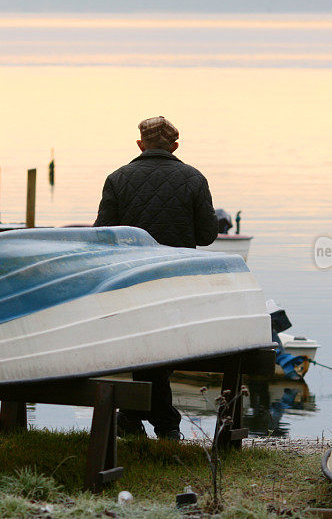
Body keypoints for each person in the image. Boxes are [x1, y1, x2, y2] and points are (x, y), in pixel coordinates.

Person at [94, 116, 219, 439]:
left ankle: (137, 418)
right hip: (174, 281)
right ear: (175, 146)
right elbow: (206, 236)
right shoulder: (194, 178)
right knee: (161, 348)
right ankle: (163, 422)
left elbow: (103, 235)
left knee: (144, 348)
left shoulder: (117, 179)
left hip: (130, 281)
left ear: (140, 144)